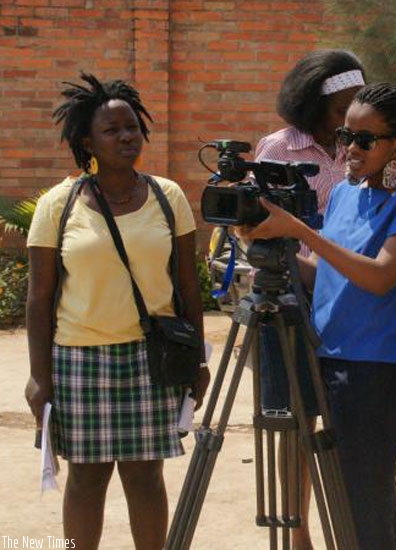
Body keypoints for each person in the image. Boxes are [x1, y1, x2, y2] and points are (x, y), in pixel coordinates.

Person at [240, 83, 396, 549]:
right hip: (326, 357)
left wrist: (299, 231)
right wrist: (273, 249)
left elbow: (380, 278)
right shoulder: (345, 196)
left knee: (365, 495)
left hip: (376, 369)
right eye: (344, 136)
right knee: (342, 494)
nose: (349, 149)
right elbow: (328, 277)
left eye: (365, 140)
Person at [24, 73, 209, 549]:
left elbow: (188, 286)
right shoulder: (58, 205)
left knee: (146, 478)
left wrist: (198, 360)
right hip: (79, 361)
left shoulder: (168, 198)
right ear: (87, 140)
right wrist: (38, 376)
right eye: (113, 130)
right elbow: (38, 299)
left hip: (154, 359)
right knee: (86, 479)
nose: (128, 137)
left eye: (132, 128)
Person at [253, 49, 365, 550]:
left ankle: (348, 529)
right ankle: (297, 534)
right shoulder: (278, 149)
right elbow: (253, 225)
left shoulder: (364, 150)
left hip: (347, 304)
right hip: (289, 303)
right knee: (295, 424)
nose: (349, 120)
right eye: (342, 109)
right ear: (314, 103)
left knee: (341, 425)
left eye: (357, 107)